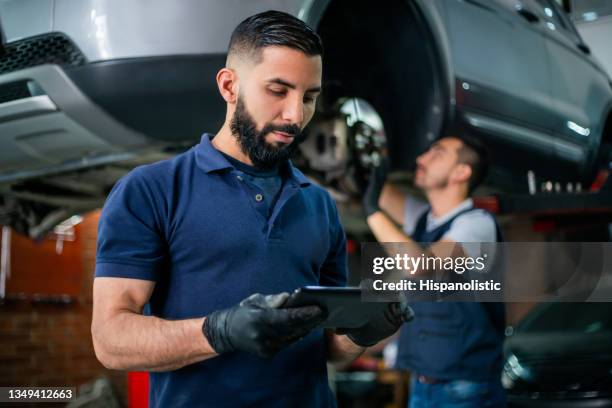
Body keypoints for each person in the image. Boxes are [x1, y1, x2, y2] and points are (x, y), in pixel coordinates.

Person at [91, 11, 410, 408]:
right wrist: (218, 332)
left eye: (309, 97)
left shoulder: (319, 204)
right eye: (278, 90)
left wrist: (361, 332)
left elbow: (328, 349)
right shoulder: (152, 190)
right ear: (229, 85)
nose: (296, 115)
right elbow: (111, 341)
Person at [363, 135, 506, 407]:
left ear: (461, 172)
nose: (421, 158)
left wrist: (372, 212)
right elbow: (377, 191)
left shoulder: (477, 225)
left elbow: (420, 265)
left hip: (465, 391)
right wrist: (367, 163)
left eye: (437, 154)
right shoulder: (424, 219)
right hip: (422, 384)